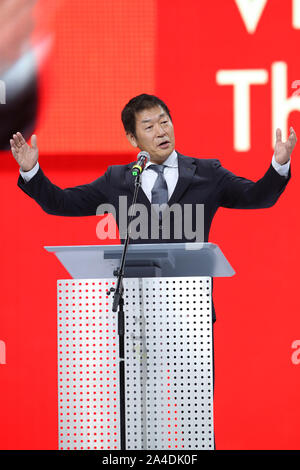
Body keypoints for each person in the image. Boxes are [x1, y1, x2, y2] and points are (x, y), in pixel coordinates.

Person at [10, 93, 297, 323]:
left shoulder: (208, 173)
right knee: (137, 397)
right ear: (133, 139)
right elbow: (61, 203)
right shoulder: (118, 179)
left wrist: (278, 165)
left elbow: (258, 196)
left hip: (191, 311)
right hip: (135, 308)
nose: (161, 132)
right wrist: (31, 171)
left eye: (164, 122)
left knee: (193, 397)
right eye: (149, 127)